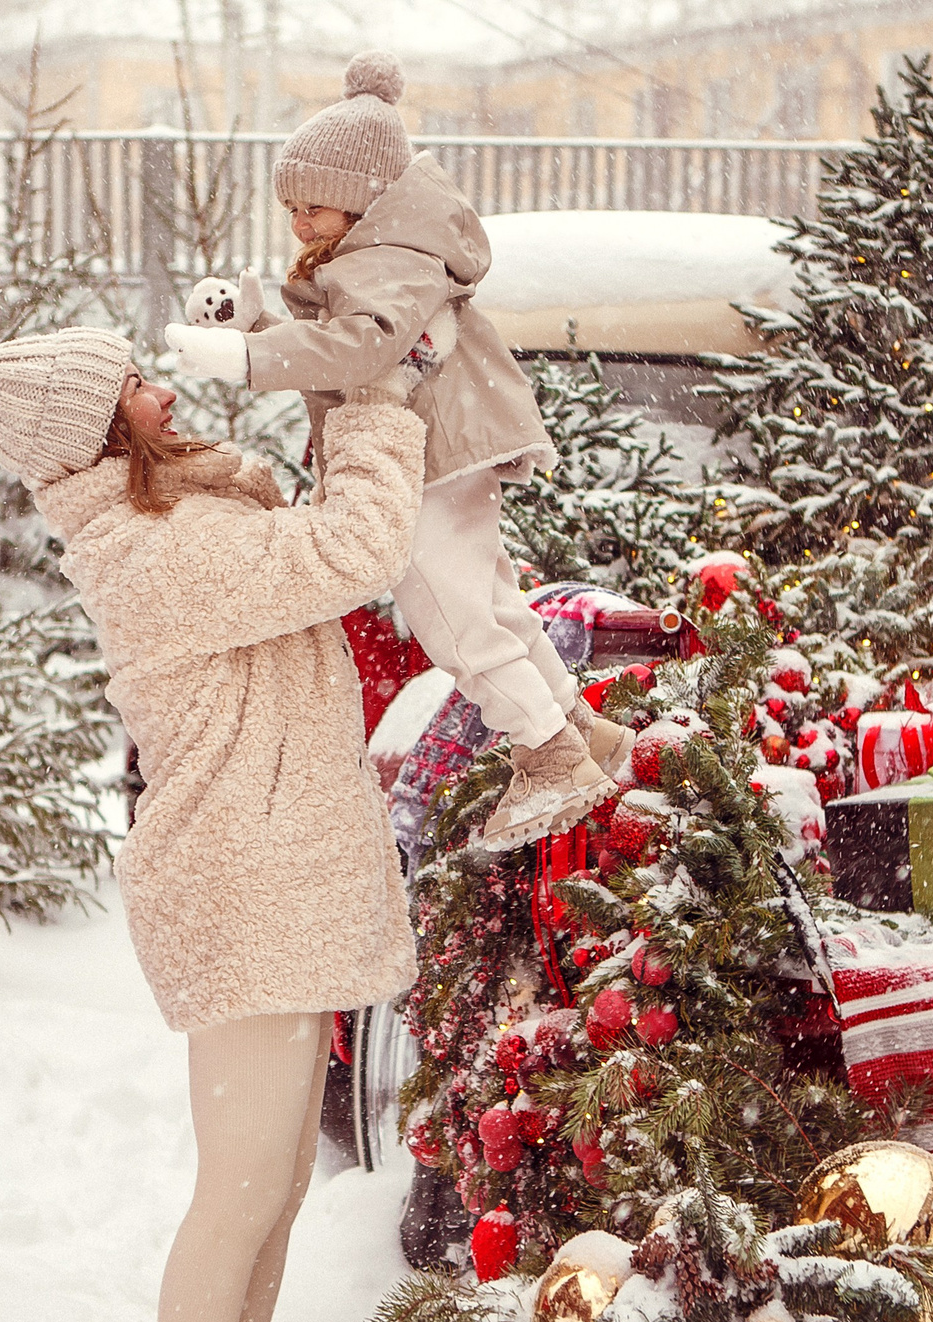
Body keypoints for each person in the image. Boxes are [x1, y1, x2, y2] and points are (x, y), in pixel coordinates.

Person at [0, 327, 427, 1322]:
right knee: (238, 1190)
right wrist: (373, 410)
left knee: (275, 1191)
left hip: (276, 874)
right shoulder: (158, 547)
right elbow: (352, 547)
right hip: (239, 885)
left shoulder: (185, 516)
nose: (163, 385)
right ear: (98, 429)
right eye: (133, 380)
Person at [164, 50, 630, 852]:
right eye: (293, 209)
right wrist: (261, 329)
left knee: (452, 623)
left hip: (424, 461)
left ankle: (549, 757)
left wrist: (247, 360)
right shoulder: (393, 251)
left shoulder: (387, 259)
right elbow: (353, 349)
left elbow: (361, 349)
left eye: (313, 206)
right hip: (449, 451)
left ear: (362, 197)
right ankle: (585, 735)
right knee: (494, 606)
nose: (300, 224)